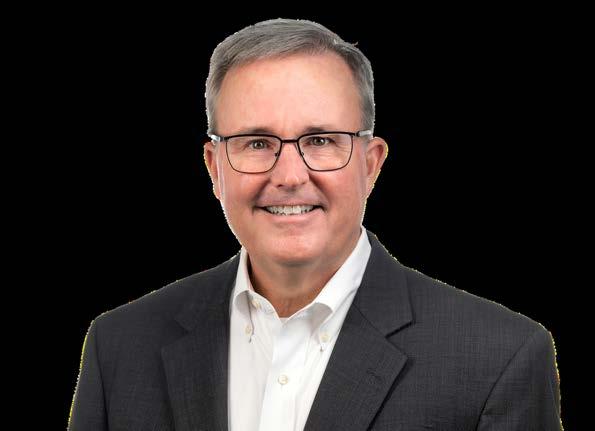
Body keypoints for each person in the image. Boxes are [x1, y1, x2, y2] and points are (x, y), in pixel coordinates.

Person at [68, 18, 562, 430]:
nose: (289, 176)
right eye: (256, 143)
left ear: (371, 164)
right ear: (214, 168)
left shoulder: (499, 360)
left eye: (321, 141)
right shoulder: (119, 347)